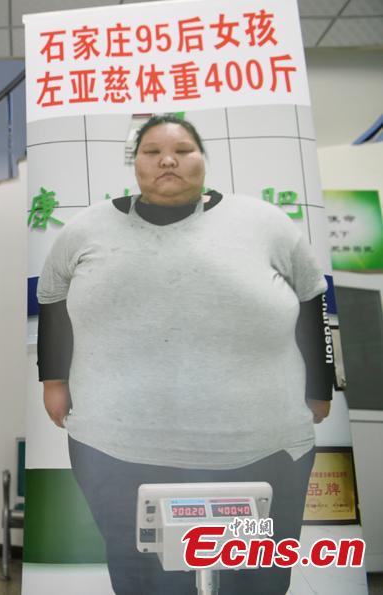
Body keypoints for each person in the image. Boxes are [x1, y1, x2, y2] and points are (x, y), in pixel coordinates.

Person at [36, 114, 333, 595]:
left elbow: (311, 298)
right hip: (117, 449)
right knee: (144, 579)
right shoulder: (86, 228)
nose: (167, 160)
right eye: (151, 151)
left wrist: (320, 386)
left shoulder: (264, 223)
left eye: (183, 149)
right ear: (135, 164)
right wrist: (53, 379)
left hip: (262, 449)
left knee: (255, 581)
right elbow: (52, 300)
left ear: (203, 159)